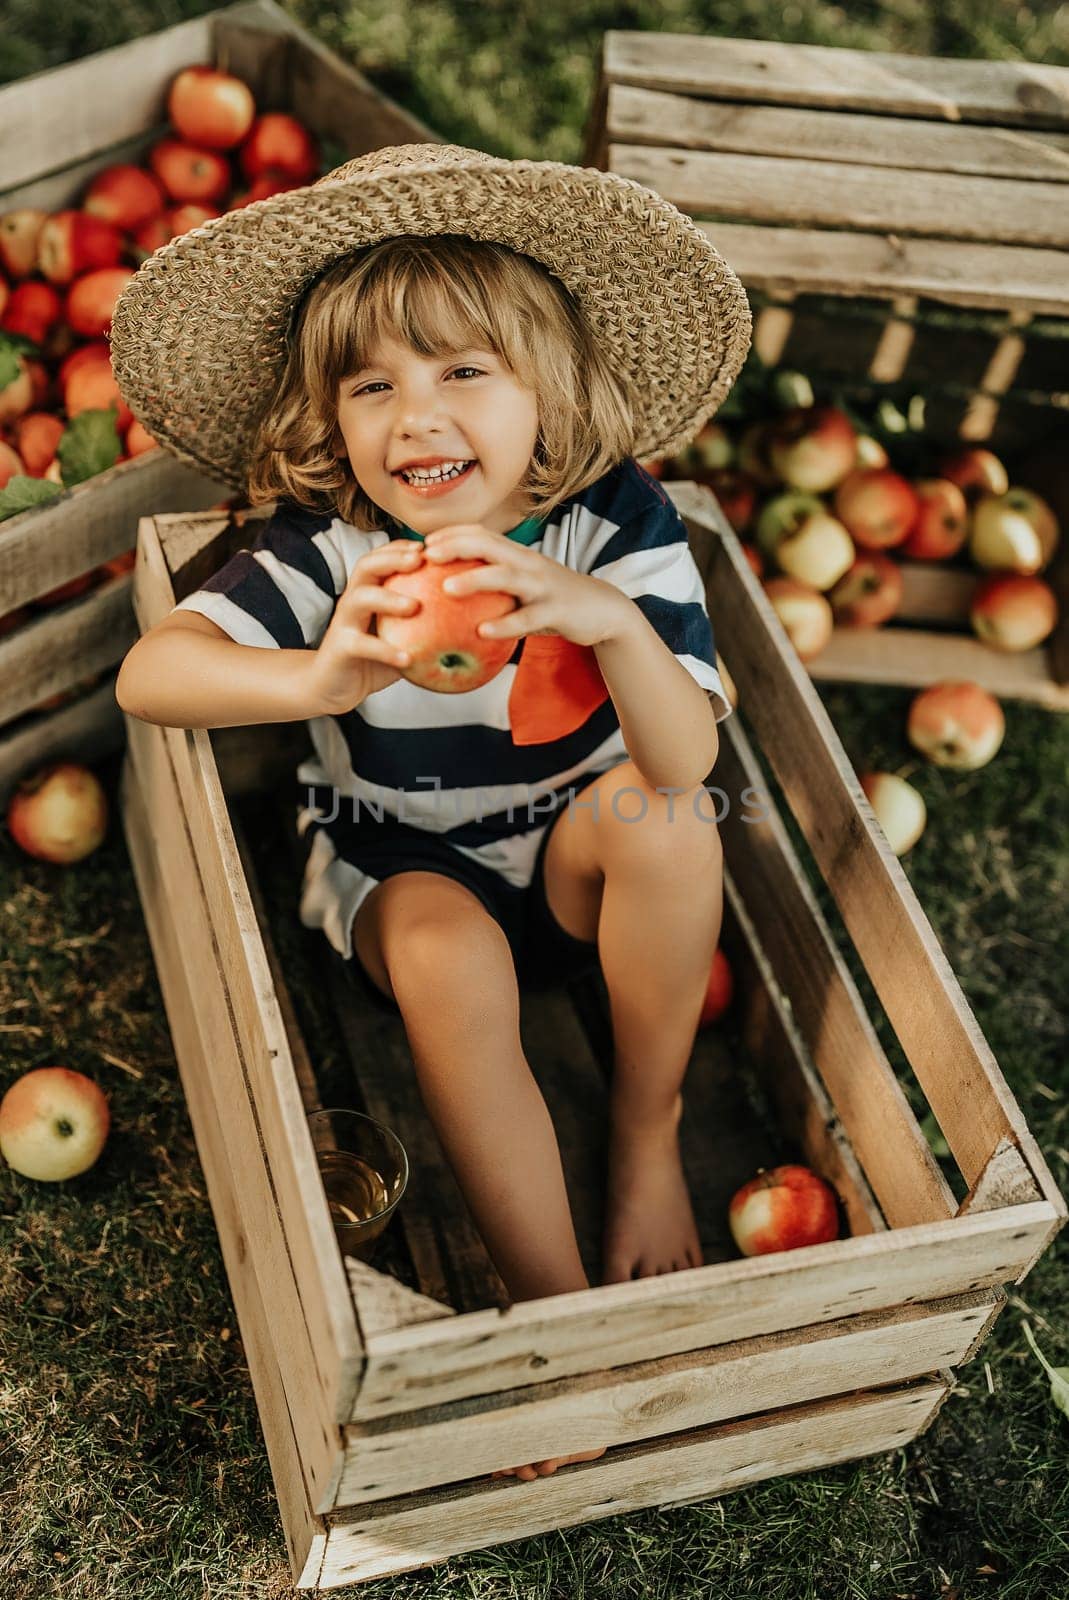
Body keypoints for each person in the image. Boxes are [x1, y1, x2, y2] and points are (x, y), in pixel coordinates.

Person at [111, 142, 751, 1482]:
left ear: (547, 391)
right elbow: (152, 671)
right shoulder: (333, 548)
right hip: (402, 855)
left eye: (464, 371)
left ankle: (643, 1132)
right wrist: (325, 672)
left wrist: (613, 629)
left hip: (575, 845)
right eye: (373, 385)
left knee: (668, 821)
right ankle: (550, 1299)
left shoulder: (607, 525)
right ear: (333, 419)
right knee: (443, 956)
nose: (416, 418)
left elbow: (685, 760)